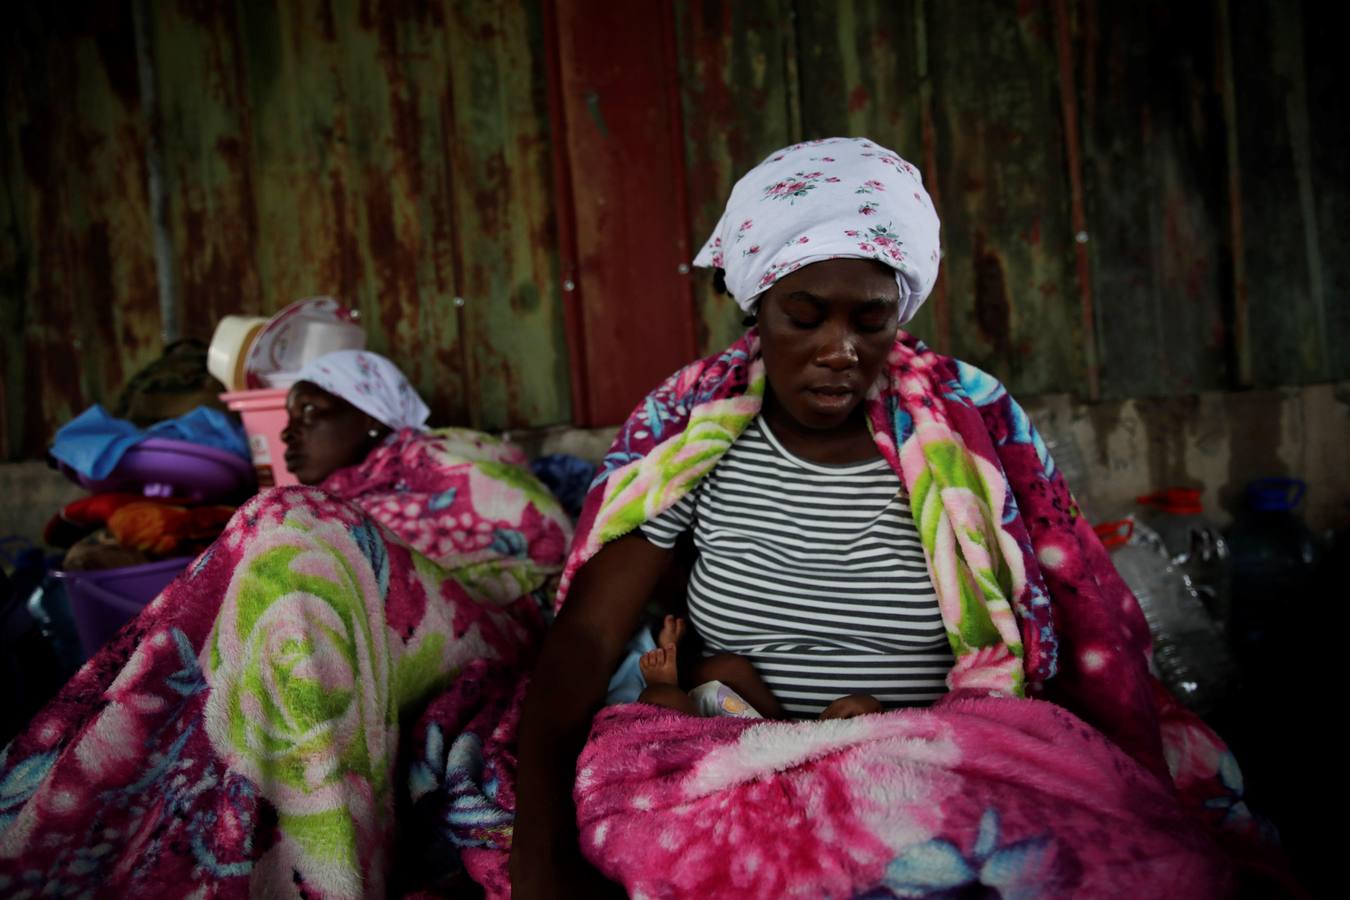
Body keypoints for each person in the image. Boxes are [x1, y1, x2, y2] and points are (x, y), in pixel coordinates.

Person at [508, 138, 1260, 897]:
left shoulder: (969, 433)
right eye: (803, 316)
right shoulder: (689, 438)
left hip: (932, 774)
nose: (839, 350)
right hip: (736, 766)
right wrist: (537, 849)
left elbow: (1073, 626)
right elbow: (590, 633)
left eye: (870, 321)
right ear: (754, 307)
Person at [0, 349, 572, 896]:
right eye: (287, 415)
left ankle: (323, 870)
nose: (290, 432)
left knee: (288, 518)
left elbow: (543, 537)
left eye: (312, 412)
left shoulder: (443, 457)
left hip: (485, 628)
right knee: (274, 530)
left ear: (374, 419)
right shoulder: (329, 502)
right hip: (357, 594)